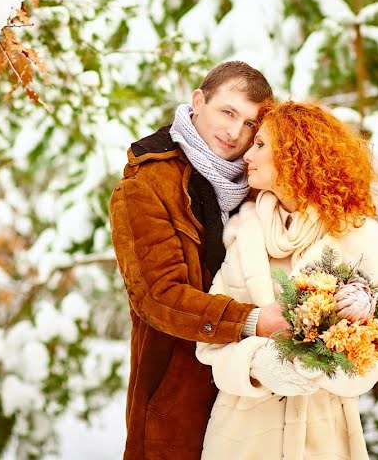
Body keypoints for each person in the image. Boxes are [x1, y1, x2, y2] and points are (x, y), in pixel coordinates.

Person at [196, 101, 378, 460]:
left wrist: (324, 367)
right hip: (242, 438)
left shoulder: (358, 240)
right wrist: (258, 365)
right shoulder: (243, 235)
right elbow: (209, 343)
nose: (247, 153)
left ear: (295, 156)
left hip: (325, 438)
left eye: (261, 144)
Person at [109, 61, 298, 460]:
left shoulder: (261, 185)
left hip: (256, 395)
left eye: (250, 124)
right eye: (227, 112)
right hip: (178, 398)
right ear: (198, 101)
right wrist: (253, 320)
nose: (235, 132)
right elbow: (159, 297)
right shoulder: (144, 187)